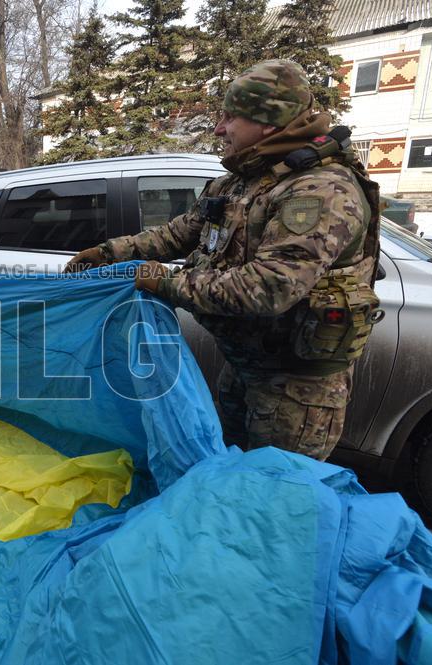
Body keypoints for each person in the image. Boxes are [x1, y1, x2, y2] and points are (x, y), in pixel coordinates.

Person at [65, 59, 381, 461]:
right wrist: (109, 254)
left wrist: (166, 283)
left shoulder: (318, 190)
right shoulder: (243, 180)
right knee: (228, 476)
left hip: (294, 390)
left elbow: (269, 288)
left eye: (231, 117)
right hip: (245, 369)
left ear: (268, 123)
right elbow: (180, 233)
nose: (219, 128)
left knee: (272, 496)